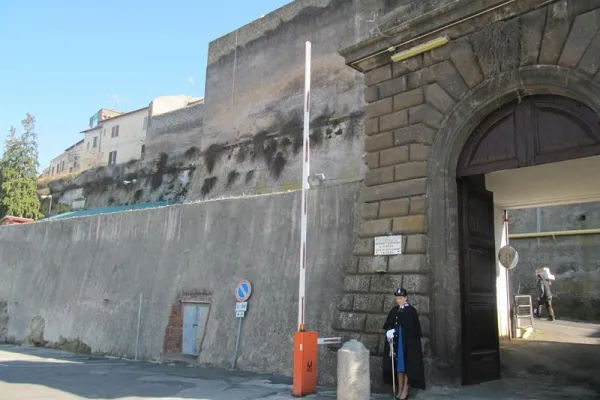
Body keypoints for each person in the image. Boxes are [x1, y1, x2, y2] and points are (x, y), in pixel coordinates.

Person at [382, 288, 426, 399]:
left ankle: (405, 389)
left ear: (406, 298)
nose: (398, 300)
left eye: (400, 298)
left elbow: (411, 329)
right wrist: (389, 331)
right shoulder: (394, 310)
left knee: (407, 365)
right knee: (398, 365)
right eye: (397, 298)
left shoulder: (411, 311)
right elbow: (389, 324)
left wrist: (395, 331)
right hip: (396, 343)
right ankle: (400, 388)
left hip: (407, 343)